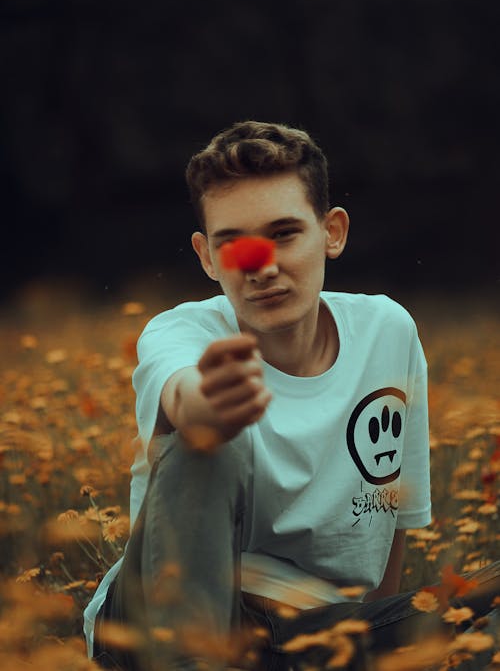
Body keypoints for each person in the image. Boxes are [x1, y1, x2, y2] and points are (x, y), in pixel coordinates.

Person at [84, 121, 499, 671]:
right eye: (234, 245)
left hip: (318, 633)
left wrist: (374, 645)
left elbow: (390, 517)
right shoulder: (180, 333)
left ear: (332, 232)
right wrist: (205, 404)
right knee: (207, 442)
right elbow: (184, 393)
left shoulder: (388, 331)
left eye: (283, 234)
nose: (261, 266)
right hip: (161, 625)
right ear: (207, 257)